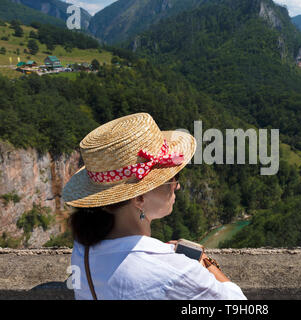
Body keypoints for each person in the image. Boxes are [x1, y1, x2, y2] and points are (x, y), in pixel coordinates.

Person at [62, 113, 247, 300]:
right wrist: (204, 261)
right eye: (173, 179)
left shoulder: (82, 248)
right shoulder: (177, 272)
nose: (178, 185)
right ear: (140, 198)